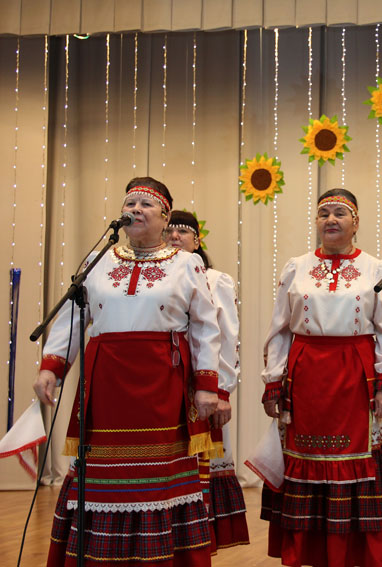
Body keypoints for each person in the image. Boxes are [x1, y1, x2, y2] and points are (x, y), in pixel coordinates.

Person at [33, 177, 221, 567]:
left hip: (161, 382)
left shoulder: (186, 264)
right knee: (102, 477)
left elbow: (206, 326)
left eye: (145, 205)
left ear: (165, 217)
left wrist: (207, 385)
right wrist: (52, 367)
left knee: (158, 480)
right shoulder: (98, 261)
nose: (135, 210)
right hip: (106, 383)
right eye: (130, 203)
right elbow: (72, 319)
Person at [260, 189, 382, 567]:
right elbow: (279, 329)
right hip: (306, 378)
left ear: (356, 223)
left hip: (355, 379)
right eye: (323, 213)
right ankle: (307, 554)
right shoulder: (296, 267)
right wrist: (274, 380)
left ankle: (355, 555)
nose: (330, 219)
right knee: (305, 457)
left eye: (340, 213)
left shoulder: (377, 268)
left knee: (359, 460)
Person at [166, 210, 250, 550]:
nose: (174, 237)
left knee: (200, 458)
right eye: (169, 231)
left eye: (183, 232)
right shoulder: (157, 278)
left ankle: (197, 539)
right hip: (166, 382)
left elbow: (227, 337)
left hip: (202, 385)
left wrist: (222, 389)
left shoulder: (216, 280)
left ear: (197, 240)